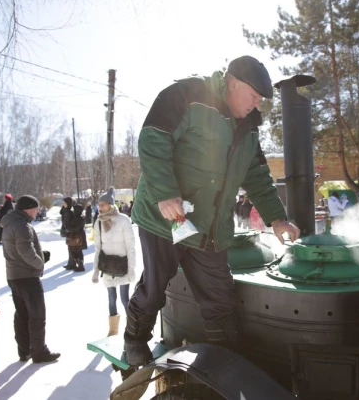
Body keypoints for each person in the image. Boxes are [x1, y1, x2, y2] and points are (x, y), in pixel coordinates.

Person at [123, 55, 300, 366]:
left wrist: (277, 218)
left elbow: (257, 175)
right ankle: (134, 340)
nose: (256, 105)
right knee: (154, 288)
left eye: (260, 100)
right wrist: (166, 193)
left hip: (209, 229)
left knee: (220, 300)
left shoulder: (249, 129)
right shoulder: (189, 95)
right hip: (166, 220)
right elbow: (153, 139)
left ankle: (228, 361)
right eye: (254, 96)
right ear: (232, 83)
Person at [1, 195, 59, 363]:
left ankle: (24, 350)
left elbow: (21, 250)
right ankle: (39, 351)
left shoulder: (11, 223)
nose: (37, 211)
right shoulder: (21, 226)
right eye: (35, 208)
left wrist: (41, 256)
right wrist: (39, 263)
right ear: (27, 209)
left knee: (22, 314)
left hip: (14, 275)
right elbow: (25, 251)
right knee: (37, 315)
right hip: (27, 276)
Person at [91, 187, 136, 336]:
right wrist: (96, 271)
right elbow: (97, 248)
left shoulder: (123, 220)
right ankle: (113, 330)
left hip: (122, 266)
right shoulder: (98, 222)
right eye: (99, 204)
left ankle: (132, 327)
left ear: (110, 204)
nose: (100, 207)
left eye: (103, 204)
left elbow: (130, 246)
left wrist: (131, 270)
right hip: (108, 266)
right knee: (111, 299)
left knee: (124, 298)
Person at [66, 203, 87, 272]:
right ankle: (79, 265)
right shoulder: (78, 217)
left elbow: (75, 228)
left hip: (77, 237)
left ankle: (81, 266)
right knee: (76, 251)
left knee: (77, 251)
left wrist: (69, 228)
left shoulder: (78, 218)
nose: (73, 211)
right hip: (77, 237)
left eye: (75, 210)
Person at [60, 197, 76, 270]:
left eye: (65, 203)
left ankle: (72, 264)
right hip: (68, 232)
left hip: (70, 232)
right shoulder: (66, 211)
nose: (63, 204)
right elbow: (61, 213)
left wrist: (67, 230)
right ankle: (71, 263)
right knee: (70, 248)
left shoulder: (69, 212)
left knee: (71, 248)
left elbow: (68, 223)